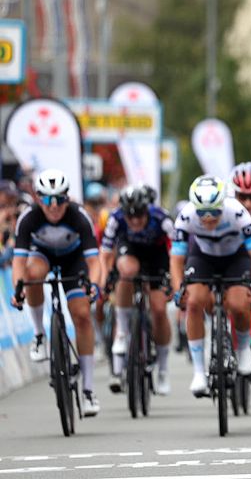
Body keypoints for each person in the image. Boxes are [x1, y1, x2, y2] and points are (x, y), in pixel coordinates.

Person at [11, 169, 102, 416]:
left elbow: (95, 263)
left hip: (75, 259)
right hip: (43, 256)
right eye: (47, 199)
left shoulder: (79, 216)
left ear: (67, 197)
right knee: (31, 276)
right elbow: (19, 263)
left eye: (59, 199)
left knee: (82, 315)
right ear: (38, 198)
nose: (53, 206)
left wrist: (94, 285)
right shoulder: (28, 218)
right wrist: (18, 289)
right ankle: (40, 335)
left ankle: (88, 390)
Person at [170, 175, 251, 397]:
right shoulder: (185, 216)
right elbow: (176, 259)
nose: (209, 217)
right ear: (195, 207)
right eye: (202, 212)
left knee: (239, 303)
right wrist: (178, 290)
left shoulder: (237, 212)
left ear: (223, 203)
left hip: (236, 257)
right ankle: (199, 371)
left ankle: (243, 349)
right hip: (203, 257)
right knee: (193, 302)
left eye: (214, 210)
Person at [99, 185, 176, 395]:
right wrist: (104, 278)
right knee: (126, 271)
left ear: (147, 210)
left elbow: (178, 252)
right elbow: (105, 253)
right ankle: (122, 331)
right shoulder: (116, 218)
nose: (134, 221)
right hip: (130, 252)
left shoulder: (162, 219)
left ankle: (162, 369)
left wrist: (174, 281)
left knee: (159, 310)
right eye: (130, 216)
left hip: (157, 256)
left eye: (139, 215)